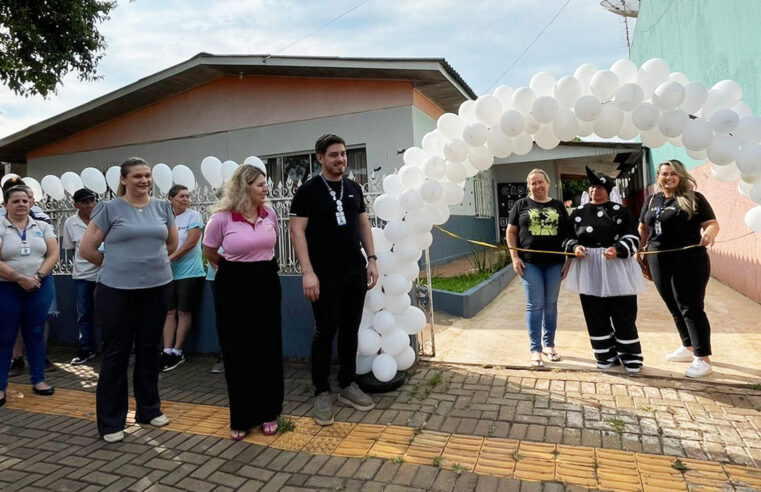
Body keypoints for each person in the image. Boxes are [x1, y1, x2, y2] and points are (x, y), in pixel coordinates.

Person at [79, 157, 178, 443]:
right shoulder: (110, 209)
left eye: (147, 175)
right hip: (116, 291)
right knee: (116, 353)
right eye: (137, 176)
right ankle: (111, 421)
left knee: (150, 349)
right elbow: (87, 248)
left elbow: (170, 243)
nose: (144, 180)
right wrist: (116, 266)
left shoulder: (162, 207)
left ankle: (149, 409)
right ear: (123, 179)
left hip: (157, 288)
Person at [289, 133, 379, 426]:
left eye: (343, 154)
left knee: (350, 329)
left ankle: (347, 384)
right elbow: (296, 232)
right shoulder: (308, 191)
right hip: (323, 275)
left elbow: (363, 224)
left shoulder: (353, 188)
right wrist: (307, 272)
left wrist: (372, 259)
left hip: (355, 271)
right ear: (320, 158)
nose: (340, 159)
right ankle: (321, 390)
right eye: (333, 155)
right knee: (325, 331)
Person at [202, 164, 283, 440]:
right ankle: (242, 416)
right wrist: (234, 271)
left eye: (265, 184)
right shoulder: (221, 219)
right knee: (238, 350)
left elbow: (270, 246)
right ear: (244, 186)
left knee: (267, 347)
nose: (265, 188)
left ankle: (269, 412)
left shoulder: (269, 213)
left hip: (266, 282)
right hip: (234, 286)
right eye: (260, 184)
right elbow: (209, 252)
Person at [638, 159, 719, 378]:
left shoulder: (694, 199)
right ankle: (688, 346)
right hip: (658, 259)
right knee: (673, 305)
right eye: (664, 174)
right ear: (658, 176)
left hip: (689, 259)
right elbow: (643, 227)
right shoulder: (652, 199)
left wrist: (708, 234)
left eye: (673, 174)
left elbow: (711, 223)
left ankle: (703, 358)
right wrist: (640, 252)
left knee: (690, 307)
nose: (669, 177)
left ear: (681, 176)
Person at [563, 167, 646, 374]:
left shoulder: (621, 212)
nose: (595, 191)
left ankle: (630, 356)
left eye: (599, 187)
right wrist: (575, 247)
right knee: (594, 313)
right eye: (592, 187)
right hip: (589, 267)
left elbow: (633, 237)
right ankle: (605, 355)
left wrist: (618, 250)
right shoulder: (578, 213)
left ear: (608, 190)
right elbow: (567, 236)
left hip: (616, 266)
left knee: (623, 312)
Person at [0, 185, 59, 407]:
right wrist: (18, 278)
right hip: (6, 287)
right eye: (15, 201)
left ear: (31, 203)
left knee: (35, 333)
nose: (21, 204)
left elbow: (53, 254)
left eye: (25, 201)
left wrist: (37, 276)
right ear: (5, 205)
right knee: (5, 336)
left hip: (39, 286)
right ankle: (0, 386)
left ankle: (39, 380)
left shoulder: (42, 226)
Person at [506, 169, 572, 367]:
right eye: (533, 183)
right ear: (529, 186)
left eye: (540, 182)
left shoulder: (558, 206)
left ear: (547, 183)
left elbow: (569, 236)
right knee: (535, 304)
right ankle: (535, 349)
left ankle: (549, 345)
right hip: (530, 263)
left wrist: (568, 261)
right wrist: (515, 257)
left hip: (554, 263)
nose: (537, 186)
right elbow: (511, 232)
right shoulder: (521, 205)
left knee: (550, 304)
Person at [160, 185, 205, 372]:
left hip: (189, 272)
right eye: (181, 196)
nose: (185, 199)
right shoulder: (164, 218)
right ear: (170, 198)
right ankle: (167, 350)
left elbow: (191, 242)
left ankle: (178, 352)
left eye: (187, 196)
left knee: (183, 311)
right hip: (168, 273)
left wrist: (170, 258)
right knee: (169, 311)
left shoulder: (193, 216)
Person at [62, 188, 101, 365]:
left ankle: (110, 348)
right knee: (84, 313)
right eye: (85, 202)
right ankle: (86, 348)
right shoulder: (70, 223)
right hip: (83, 275)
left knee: (107, 312)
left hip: (104, 273)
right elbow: (71, 249)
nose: (90, 205)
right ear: (76, 204)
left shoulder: (102, 218)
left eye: (92, 200)